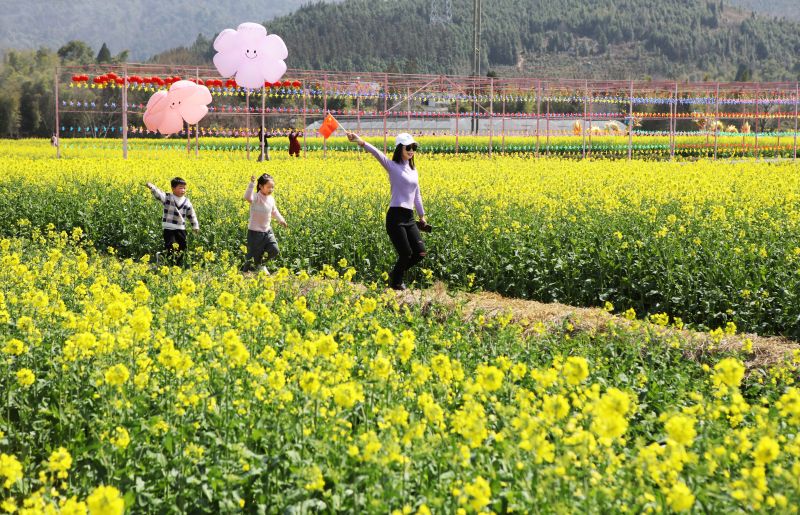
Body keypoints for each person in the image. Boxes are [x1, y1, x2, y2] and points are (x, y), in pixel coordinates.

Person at [346, 131, 429, 290]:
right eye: (408, 147)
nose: (411, 150)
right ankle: (396, 282)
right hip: (396, 217)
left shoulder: (414, 170)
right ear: (400, 149)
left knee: (420, 253)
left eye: (414, 147)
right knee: (405, 254)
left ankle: (395, 274)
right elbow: (377, 153)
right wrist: (359, 141)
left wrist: (422, 215)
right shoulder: (392, 166)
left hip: (409, 217)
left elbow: (416, 193)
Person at [145, 177, 199, 267]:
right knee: (170, 247)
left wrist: (195, 226)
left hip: (181, 228)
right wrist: (152, 187)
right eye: (180, 187)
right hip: (169, 228)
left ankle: (177, 265)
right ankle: (167, 263)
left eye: (184, 188)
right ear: (173, 188)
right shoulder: (168, 197)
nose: (183, 190)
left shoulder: (187, 201)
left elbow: (191, 214)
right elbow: (158, 194)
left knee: (182, 247)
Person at [241, 173, 287, 274]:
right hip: (255, 232)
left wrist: (281, 219)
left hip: (267, 231)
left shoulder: (271, 199)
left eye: (272, 187)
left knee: (274, 250)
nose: (271, 189)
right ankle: (245, 274)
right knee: (251, 256)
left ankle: (260, 265)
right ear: (261, 186)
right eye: (269, 187)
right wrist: (252, 183)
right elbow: (247, 197)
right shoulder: (256, 197)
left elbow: (274, 211)